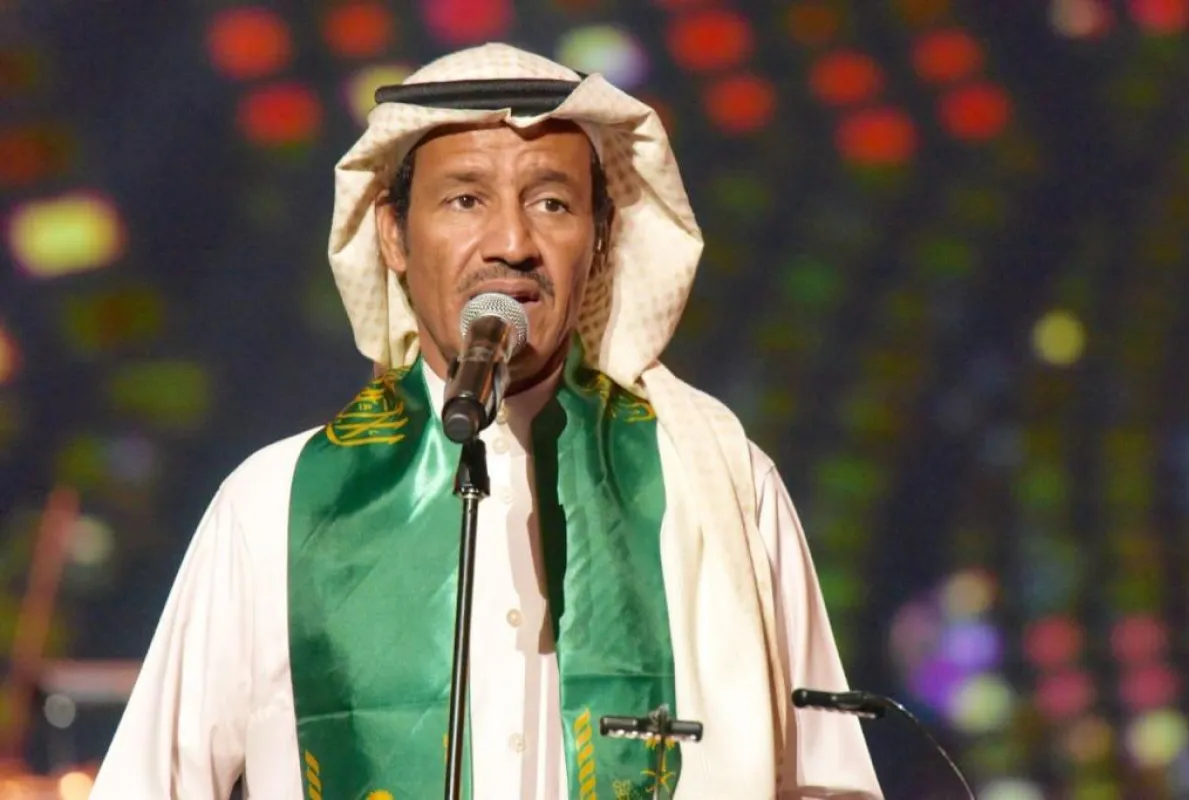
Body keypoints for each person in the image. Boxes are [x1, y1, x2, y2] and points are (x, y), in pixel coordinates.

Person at [90, 43, 882, 799]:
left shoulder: (718, 490)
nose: (512, 243)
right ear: (393, 235)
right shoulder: (273, 506)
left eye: (552, 203)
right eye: (466, 199)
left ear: (600, 241)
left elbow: (826, 785)